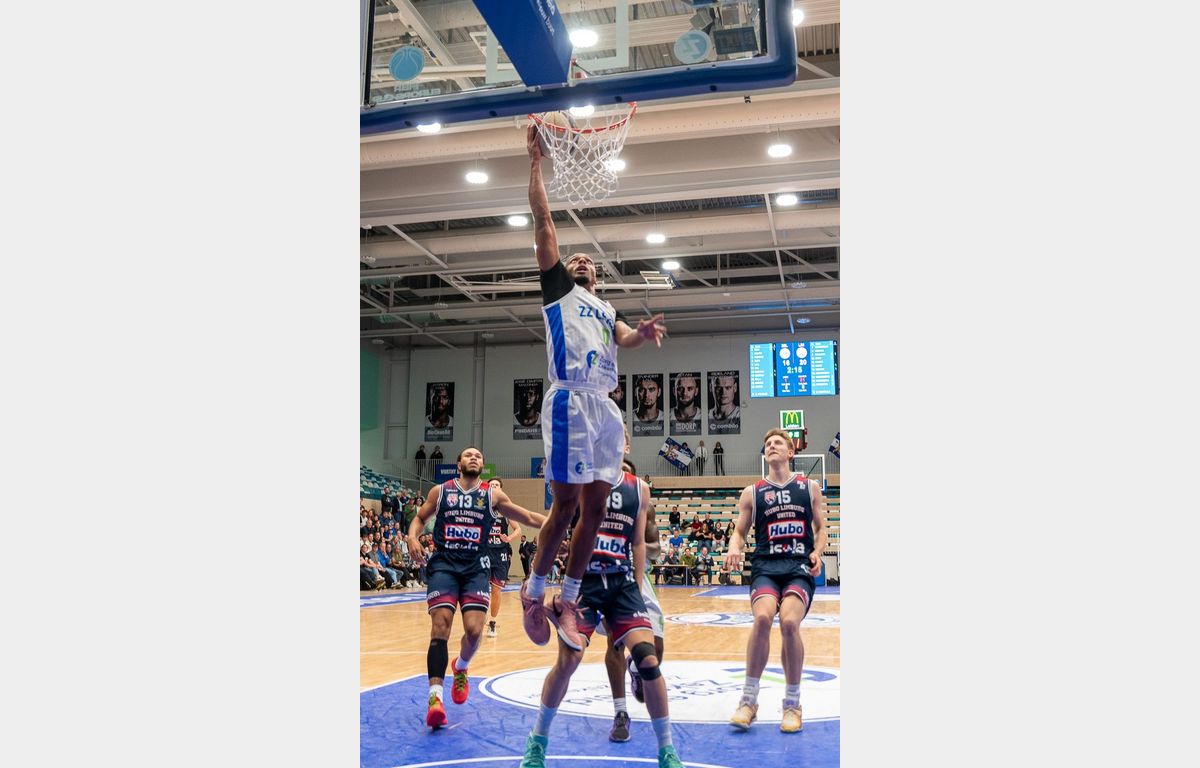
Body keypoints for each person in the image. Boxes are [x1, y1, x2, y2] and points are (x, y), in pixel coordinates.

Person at [520, 123, 668, 651]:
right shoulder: (559, 291)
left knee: (598, 510)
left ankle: (569, 596)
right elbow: (544, 222)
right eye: (576, 258)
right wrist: (535, 164)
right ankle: (533, 592)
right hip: (568, 399)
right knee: (564, 507)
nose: (581, 261)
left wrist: (640, 334)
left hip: (605, 407)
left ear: (599, 278)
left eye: (590, 261)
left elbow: (623, 337)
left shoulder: (605, 309)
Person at [516, 455, 683, 768]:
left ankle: (667, 750)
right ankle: (537, 740)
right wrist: (538, 574)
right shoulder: (579, 480)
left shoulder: (639, 488)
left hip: (622, 584)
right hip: (583, 583)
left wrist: (636, 586)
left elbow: (638, 542)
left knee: (648, 659)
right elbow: (553, 525)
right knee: (568, 661)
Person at [406, 446, 547, 729]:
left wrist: (561, 526)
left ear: (482, 465)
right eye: (468, 455)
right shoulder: (441, 491)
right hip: (445, 565)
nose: (474, 457)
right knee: (441, 626)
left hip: (476, 567)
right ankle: (435, 700)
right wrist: (412, 537)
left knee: (473, 631)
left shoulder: (492, 495)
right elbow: (420, 519)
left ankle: (460, 666)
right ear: (458, 463)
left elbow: (529, 518)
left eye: (478, 456)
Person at [723, 429, 829, 734]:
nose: (771, 446)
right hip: (766, 566)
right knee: (762, 618)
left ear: (790, 452)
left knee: (790, 623)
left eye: (777, 443)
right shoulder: (752, 492)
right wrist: (733, 547)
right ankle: (748, 700)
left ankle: (792, 704)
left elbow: (821, 528)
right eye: (767, 443)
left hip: (798, 566)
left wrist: (817, 552)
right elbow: (739, 531)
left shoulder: (809, 487)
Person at [485, 477, 523, 638]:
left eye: (497, 485)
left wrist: (509, 538)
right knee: (479, 588)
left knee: (496, 590)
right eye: (491, 485)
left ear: (501, 489)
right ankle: (479, 616)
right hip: (483, 552)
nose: (494, 487)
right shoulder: (481, 505)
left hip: (500, 554)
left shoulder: (506, 509)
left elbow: (518, 529)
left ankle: (492, 622)